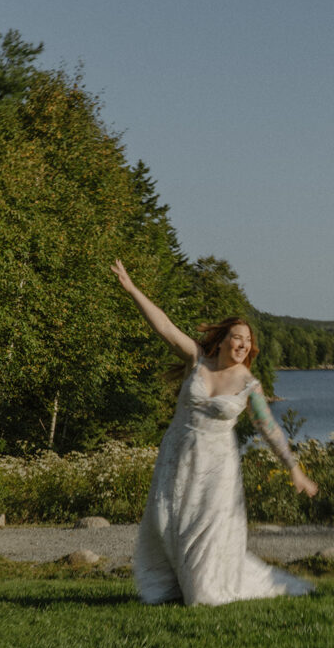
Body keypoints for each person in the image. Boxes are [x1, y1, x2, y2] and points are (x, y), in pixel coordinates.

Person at [112, 259, 318, 606]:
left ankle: (204, 590)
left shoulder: (249, 384)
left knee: (206, 529)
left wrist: (293, 467)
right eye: (235, 338)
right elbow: (164, 325)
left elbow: (268, 428)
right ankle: (172, 587)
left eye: (247, 341)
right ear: (221, 341)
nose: (241, 344)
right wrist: (133, 290)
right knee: (167, 522)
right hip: (176, 455)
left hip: (217, 467)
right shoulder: (197, 360)